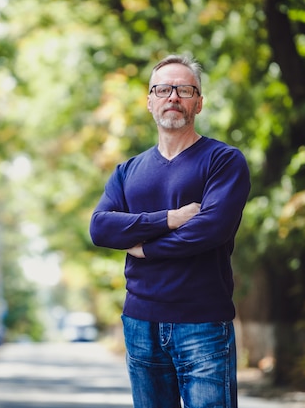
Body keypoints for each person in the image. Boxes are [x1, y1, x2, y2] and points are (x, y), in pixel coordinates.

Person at [89, 54, 251, 408]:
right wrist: (169, 219)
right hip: (140, 323)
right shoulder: (127, 171)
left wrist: (145, 248)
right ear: (149, 102)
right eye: (163, 89)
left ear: (199, 103)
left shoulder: (224, 161)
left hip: (203, 323)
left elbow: (212, 229)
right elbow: (100, 227)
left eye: (184, 89)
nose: (173, 96)